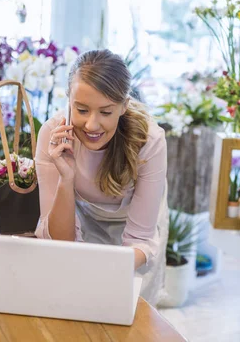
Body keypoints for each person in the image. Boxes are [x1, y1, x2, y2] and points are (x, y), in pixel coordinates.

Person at [35, 49, 169, 305]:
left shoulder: (150, 141)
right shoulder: (53, 134)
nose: (92, 125)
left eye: (106, 112)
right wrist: (66, 178)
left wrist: (105, 274)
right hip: (82, 220)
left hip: (137, 235)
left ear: (124, 106)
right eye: (82, 110)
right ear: (68, 101)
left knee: (128, 312)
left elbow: (140, 239)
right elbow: (60, 241)